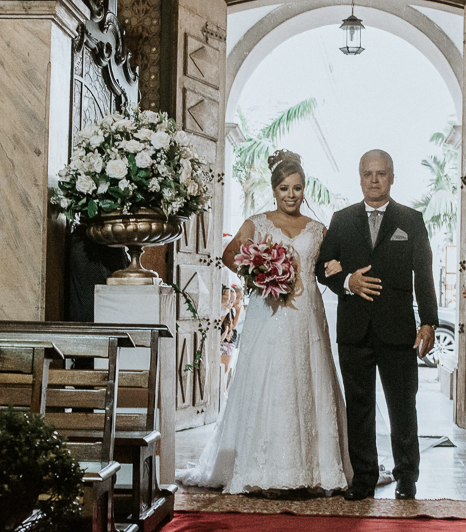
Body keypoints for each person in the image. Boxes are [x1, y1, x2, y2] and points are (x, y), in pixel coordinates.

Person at [176, 149, 351, 495]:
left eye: (297, 188)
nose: (291, 195)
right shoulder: (258, 223)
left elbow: (330, 264)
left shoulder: (318, 229)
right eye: (284, 188)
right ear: (274, 190)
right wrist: (260, 274)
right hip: (268, 312)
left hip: (305, 315)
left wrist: (337, 269)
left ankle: (317, 468)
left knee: (309, 377)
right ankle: (260, 466)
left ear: (305, 190)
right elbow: (229, 255)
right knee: (266, 378)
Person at [316, 150, 437, 501]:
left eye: (381, 173)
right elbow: (321, 266)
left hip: (398, 329)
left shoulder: (411, 220)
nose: (374, 180)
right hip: (354, 330)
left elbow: (424, 276)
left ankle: (407, 478)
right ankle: (364, 479)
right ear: (359, 177)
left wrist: (428, 321)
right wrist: (347, 282)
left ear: (392, 177)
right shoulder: (341, 220)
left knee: (403, 406)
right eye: (368, 173)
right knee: (359, 406)